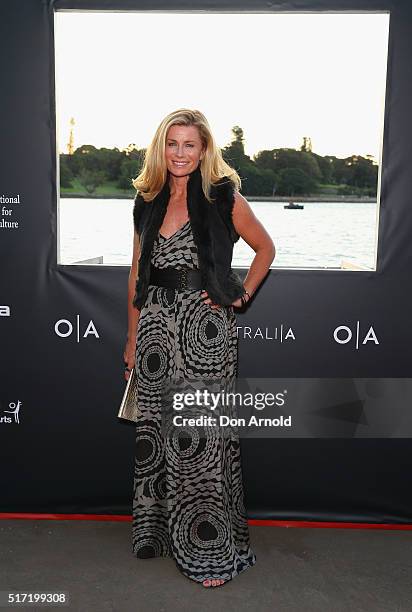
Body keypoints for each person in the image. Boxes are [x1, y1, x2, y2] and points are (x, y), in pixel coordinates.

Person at [123, 108, 276, 588]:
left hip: (205, 331)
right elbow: (136, 275)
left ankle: (208, 548)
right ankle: (160, 532)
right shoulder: (146, 199)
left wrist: (240, 295)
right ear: (160, 148)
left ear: (205, 149)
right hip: (154, 329)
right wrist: (131, 337)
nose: (181, 153)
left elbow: (265, 249)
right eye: (173, 144)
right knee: (157, 430)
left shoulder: (222, 197)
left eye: (191, 144)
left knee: (200, 440)